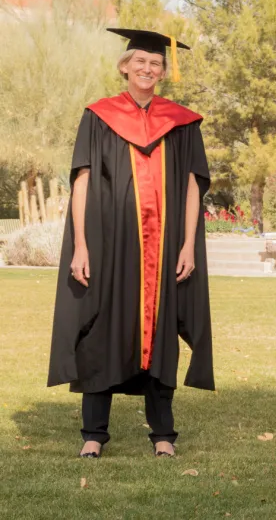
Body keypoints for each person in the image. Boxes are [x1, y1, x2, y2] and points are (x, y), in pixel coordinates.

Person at [48, 28, 214, 458]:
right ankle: (93, 435)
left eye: (155, 63)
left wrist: (188, 246)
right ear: (125, 67)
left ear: (163, 71)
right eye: (140, 61)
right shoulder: (99, 116)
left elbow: (195, 185)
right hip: (110, 247)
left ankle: (163, 435)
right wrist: (80, 246)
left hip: (165, 248)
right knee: (102, 332)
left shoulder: (181, 122)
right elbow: (81, 180)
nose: (147, 68)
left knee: (161, 335)